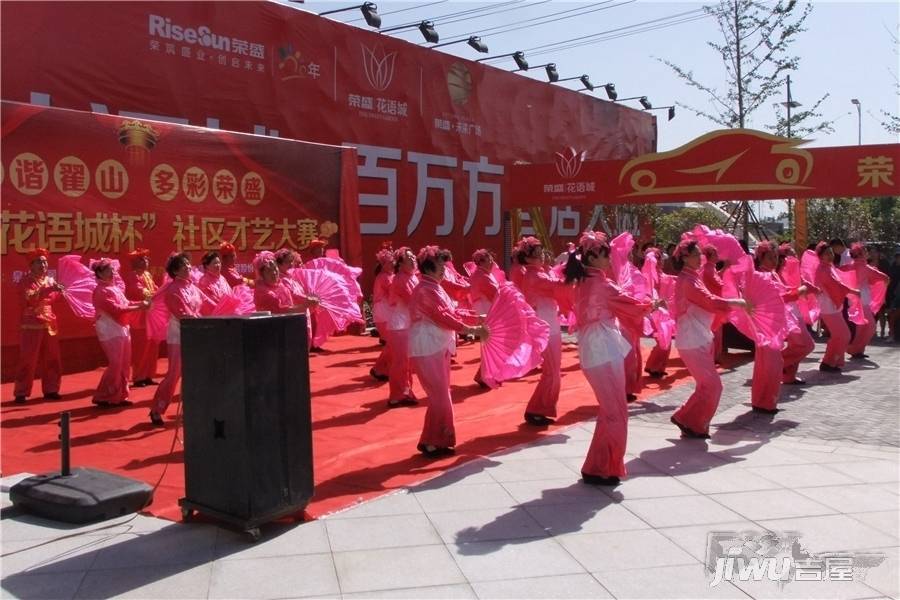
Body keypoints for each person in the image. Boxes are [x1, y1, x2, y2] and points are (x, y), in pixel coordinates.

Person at [565, 231, 651, 485]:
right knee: (615, 411)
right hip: (602, 347)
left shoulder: (585, 281)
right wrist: (652, 306)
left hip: (596, 346)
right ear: (593, 256)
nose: (609, 259)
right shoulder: (601, 283)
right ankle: (603, 466)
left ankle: (599, 465)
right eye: (606, 255)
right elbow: (631, 304)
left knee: (611, 410)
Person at [408, 246, 482, 458]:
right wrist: (471, 328)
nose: (444, 270)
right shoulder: (426, 289)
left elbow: (450, 312)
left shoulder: (433, 287)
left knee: (440, 394)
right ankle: (435, 440)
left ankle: (433, 440)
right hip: (428, 344)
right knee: (439, 395)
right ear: (429, 267)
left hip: (435, 343)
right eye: (441, 266)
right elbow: (443, 316)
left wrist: (475, 318)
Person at [670, 240, 747, 438]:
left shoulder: (692, 277)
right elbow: (709, 301)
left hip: (698, 336)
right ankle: (690, 420)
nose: (700, 258)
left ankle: (687, 418)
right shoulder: (687, 280)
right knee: (713, 386)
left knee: (707, 385)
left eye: (700, 254)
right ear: (684, 258)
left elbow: (709, 298)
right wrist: (736, 303)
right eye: (695, 254)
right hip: (692, 339)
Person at [149, 253, 213, 427]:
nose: (188, 267)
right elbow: (182, 314)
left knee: (194, 374)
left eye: (188, 264)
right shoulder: (172, 290)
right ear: (175, 271)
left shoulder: (192, 287)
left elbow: (209, 304)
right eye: (183, 266)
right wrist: (202, 321)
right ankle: (157, 408)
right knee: (174, 373)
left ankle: (192, 409)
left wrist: (228, 306)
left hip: (196, 334)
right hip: (179, 335)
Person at [518, 236, 568, 426]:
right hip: (544, 328)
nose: (541, 256)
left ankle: (539, 408)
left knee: (552, 371)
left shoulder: (539, 272)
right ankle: (537, 409)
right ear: (527, 258)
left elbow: (555, 284)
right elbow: (555, 287)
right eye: (536, 253)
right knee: (552, 372)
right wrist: (572, 277)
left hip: (549, 325)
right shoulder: (534, 275)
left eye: (541, 252)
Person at [91, 259, 148, 407]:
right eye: (109, 270)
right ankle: (104, 395)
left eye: (113, 270)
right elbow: (116, 309)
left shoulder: (114, 288)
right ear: (100, 273)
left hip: (122, 327)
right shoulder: (100, 291)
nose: (113, 272)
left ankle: (120, 395)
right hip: (108, 328)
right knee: (115, 362)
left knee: (124, 362)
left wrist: (140, 304)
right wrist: (139, 307)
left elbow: (126, 303)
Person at [13, 248, 65, 403]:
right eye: (39, 262)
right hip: (32, 323)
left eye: (45, 261)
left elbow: (54, 298)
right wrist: (49, 289)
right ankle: (21, 391)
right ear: (31, 265)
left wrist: (60, 292)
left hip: (49, 322)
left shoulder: (49, 280)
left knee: (52, 357)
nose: (43, 264)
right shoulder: (25, 280)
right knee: (28, 358)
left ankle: (51, 389)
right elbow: (30, 298)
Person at [751, 242, 789, 414]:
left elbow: (783, 293)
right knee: (771, 364)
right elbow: (780, 297)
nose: (774, 260)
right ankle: (764, 402)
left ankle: (763, 401)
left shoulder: (772, 274)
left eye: (776, 257)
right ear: (761, 258)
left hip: (771, 324)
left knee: (767, 364)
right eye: (770, 257)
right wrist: (800, 292)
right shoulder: (761, 276)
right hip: (765, 326)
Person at [814, 241, 860, 373]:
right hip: (828, 307)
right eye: (827, 253)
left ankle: (830, 362)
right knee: (844, 335)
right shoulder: (823, 269)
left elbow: (839, 281)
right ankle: (829, 361)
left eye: (831, 253)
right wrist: (853, 291)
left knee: (838, 336)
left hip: (833, 306)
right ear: (820, 256)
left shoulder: (829, 267)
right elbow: (837, 285)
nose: (830, 255)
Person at [776, 243, 817, 385]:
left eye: (794, 255)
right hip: (788, 314)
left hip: (795, 311)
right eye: (790, 255)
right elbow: (786, 293)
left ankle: (789, 376)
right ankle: (777, 364)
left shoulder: (792, 271)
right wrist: (801, 290)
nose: (793, 257)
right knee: (806, 345)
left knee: (797, 345)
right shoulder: (777, 274)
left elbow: (800, 284)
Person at [385, 247, 419, 408]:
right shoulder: (400, 279)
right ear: (400, 263)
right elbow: (412, 301)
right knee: (400, 362)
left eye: (413, 257)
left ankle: (405, 391)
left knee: (406, 362)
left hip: (407, 324)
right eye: (409, 258)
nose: (413, 259)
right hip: (400, 325)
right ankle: (396, 395)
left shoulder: (412, 277)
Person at [845, 242, 889, 359]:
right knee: (871, 327)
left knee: (862, 327)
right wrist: (881, 287)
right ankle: (855, 349)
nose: (867, 253)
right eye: (865, 251)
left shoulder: (851, 266)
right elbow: (885, 278)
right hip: (862, 300)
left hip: (855, 300)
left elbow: (839, 273)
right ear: (860, 254)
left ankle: (857, 350)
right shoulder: (864, 267)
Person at [124, 248, 160, 387]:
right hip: (139, 316)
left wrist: (159, 293)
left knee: (152, 345)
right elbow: (137, 290)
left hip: (150, 314)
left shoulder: (147, 274)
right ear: (137, 262)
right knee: (141, 347)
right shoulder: (132, 276)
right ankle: (139, 377)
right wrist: (153, 295)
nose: (147, 261)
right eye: (144, 259)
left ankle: (149, 375)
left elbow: (155, 288)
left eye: (146, 259)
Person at [469, 249, 500, 388]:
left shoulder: (480, 274)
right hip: (487, 312)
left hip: (485, 311)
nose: (492, 261)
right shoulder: (483, 276)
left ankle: (485, 374)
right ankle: (486, 376)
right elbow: (495, 294)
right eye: (489, 259)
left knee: (489, 343)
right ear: (481, 262)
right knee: (491, 343)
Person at [370, 245, 395, 381]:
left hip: (387, 312)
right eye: (390, 263)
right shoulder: (384, 277)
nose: (393, 265)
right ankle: (379, 368)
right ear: (383, 264)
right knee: (392, 343)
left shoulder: (389, 275)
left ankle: (382, 369)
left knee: (392, 343)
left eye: (393, 262)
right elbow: (393, 292)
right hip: (384, 313)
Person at [701, 245, 727, 364]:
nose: (718, 256)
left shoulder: (710, 268)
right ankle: (713, 356)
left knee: (716, 330)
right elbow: (718, 283)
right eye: (715, 254)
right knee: (715, 330)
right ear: (710, 256)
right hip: (713, 303)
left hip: (714, 302)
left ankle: (715, 355)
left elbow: (717, 278)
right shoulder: (708, 269)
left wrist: (725, 268)